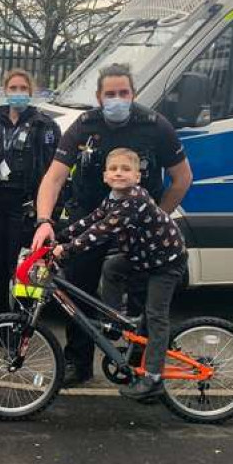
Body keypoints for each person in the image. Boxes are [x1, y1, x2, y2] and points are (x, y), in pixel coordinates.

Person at [31, 62, 193, 386]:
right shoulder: (83, 125)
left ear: (133, 93)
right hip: (93, 212)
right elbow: (54, 177)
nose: (117, 99)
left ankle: (140, 365)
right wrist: (45, 222)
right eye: (110, 94)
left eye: (124, 93)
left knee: (141, 297)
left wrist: (153, 216)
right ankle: (78, 362)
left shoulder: (155, 125)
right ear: (98, 96)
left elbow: (182, 178)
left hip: (136, 227)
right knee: (77, 290)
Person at [52, 147, 187, 401]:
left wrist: (65, 250)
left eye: (126, 169)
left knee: (156, 316)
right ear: (105, 176)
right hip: (142, 255)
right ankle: (115, 321)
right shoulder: (113, 196)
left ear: (138, 177)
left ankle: (153, 378)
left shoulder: (133, 200)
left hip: (166, 261)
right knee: (112, 267)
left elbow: (101, 231)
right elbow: (93, 219)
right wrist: (59, 236)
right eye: (113, 169)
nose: (119, 174)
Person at [0, 69, 61, 317]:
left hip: (27, 208)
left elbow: (56, 172)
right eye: (13, 89)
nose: (18, 93)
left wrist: (49, 212)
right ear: (5, 91)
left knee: (28, 267)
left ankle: (24, 324)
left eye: (23, 89)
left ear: (31, 92)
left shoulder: (45, 126)